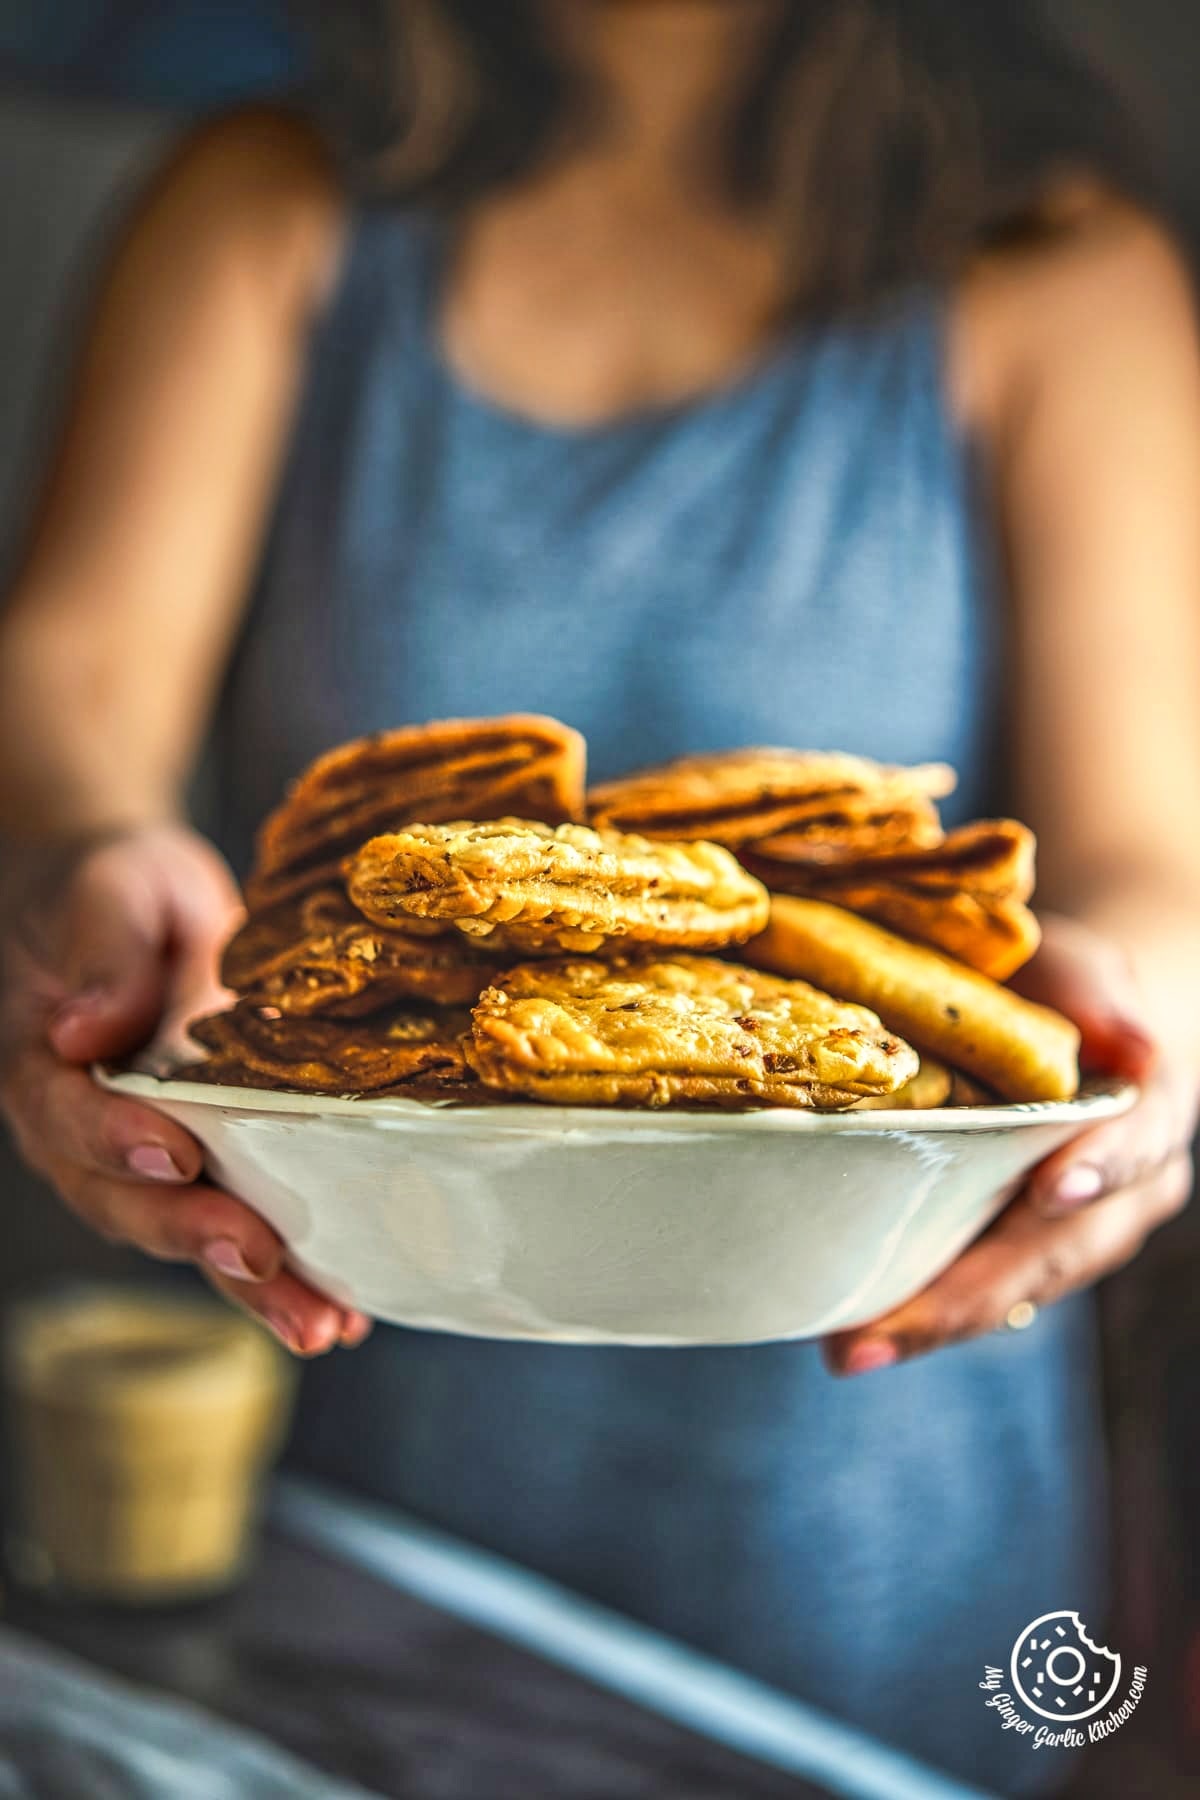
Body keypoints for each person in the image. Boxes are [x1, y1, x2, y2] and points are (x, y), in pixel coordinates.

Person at [2, 2, 1199, 1788]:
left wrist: (1143, 1025)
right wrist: (91, 867)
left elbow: (1149, 858)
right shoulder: (268, 202)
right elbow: (70, 698)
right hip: (354, 1413)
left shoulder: (1061, 262)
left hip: (871, 1476)